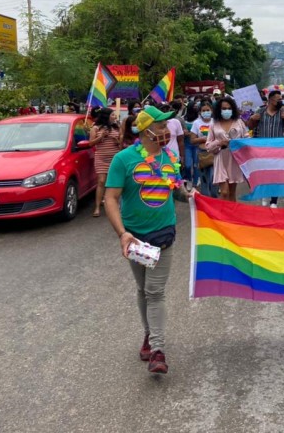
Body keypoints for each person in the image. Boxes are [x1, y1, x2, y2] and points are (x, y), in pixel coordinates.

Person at [105, 105, 195, 375]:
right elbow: (110, 198)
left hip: (163, 234)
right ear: (146, 131)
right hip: (134, 238)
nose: (166, 131)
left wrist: (188, 193)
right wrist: (123, 234)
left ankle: (157, 349)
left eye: (166, 127)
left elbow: (175, 189)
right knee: (143, 288)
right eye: (161, 127)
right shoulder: (123, 159)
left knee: (155, 291)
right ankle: (148, 334)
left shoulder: (169, 158)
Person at [247, 89, 284, 207]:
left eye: (281, 99)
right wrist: (252, 119)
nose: (280, 101)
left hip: (278, 150)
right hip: (262, 150)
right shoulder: (260, 111)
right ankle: (264, 193)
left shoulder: (283, 112)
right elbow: (250, 127)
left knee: (276, 175)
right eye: (278, 99)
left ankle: (274, 200)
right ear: (270, 100)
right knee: (263, 173)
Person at [205, 97, 248, 202]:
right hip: (220, 160)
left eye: (229, 108)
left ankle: (231, 216)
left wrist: (239, 143)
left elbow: (247, 139)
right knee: (224, 192)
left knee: (232, 193)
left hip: (234, 159)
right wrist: (219, 142)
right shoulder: (214, 124)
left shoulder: (238, 122)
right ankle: (222, 215)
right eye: (224, 108)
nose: (226, 110)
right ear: (219, 110)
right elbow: (208, 146)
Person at [89, 107, 121, 217]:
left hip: (115, 158)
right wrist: (101, 137)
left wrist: (117, 141)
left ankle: (114, 204)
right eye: (112, 115)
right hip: (101, 157)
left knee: (115, 182)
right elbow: (91, 143)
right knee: (101, 181)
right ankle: (97, 207)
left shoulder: (117, 127)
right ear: (106, 116)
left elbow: (121, 143)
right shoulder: (95, 128)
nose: (114, 117)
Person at [189, 100, 218, 198]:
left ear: (212, 110)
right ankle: (206, 198)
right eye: (203, 110)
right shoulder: (196, 123)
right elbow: (192, 140)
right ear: (200, 112)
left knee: (214, 177)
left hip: (215, 153)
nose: (206, 112)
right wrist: (202, 139)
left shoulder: (216, 122)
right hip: (202, 154)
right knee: (205, 178)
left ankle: (214, 198)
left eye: (208, 110)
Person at [182, 100, 201, 190]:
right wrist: (184, 133)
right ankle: (189, 179)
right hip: (187, 145)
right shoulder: (183, 119)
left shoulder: (199, 119)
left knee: (196, 165)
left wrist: (191, 133)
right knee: (188, 165)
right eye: (194, 107)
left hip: (197, 145)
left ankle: (195, 180)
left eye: (196, 107)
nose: (195, 108)